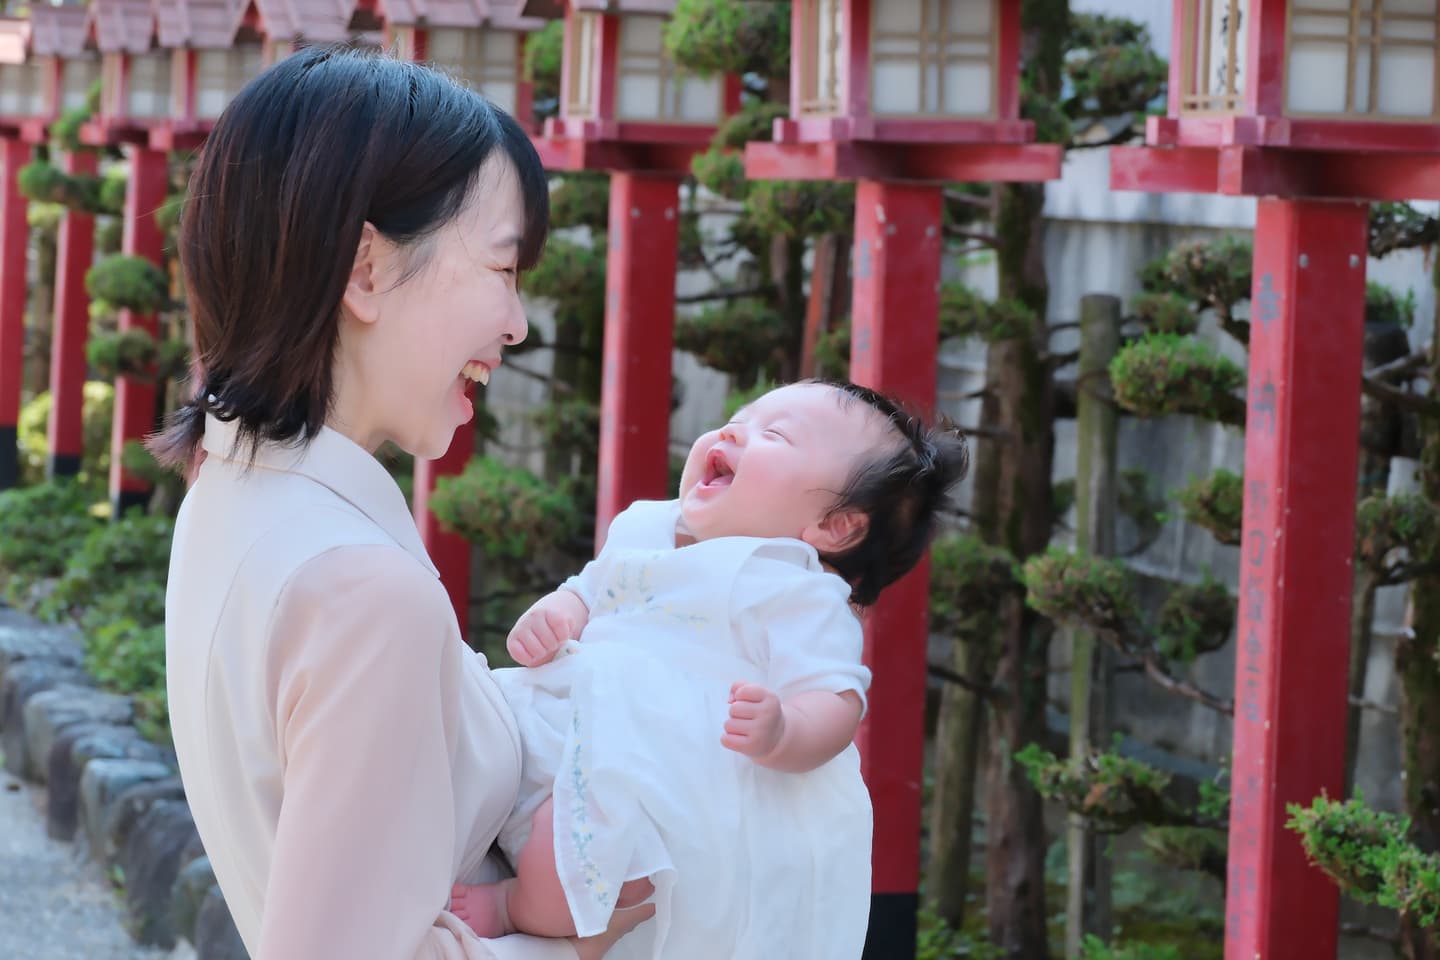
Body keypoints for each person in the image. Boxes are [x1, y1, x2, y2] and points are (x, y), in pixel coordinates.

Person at [157, 46, 654, 960]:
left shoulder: (238, 491)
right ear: (365, 269)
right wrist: (573, 941)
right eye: (504, 270)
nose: (517, 322)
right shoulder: (361, 589)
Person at [448, 381, 970, 959]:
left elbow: (835, 701)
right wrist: (557, 615)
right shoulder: (644, 525)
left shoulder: (796, 590)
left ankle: (515, 906)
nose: (730, 432)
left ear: (835, 526)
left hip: (647, 776)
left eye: (773, 435)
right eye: (738, 418)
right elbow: (590, 590)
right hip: (562, 721)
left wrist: (785, 730)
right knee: (465, 722)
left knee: (603, 863)